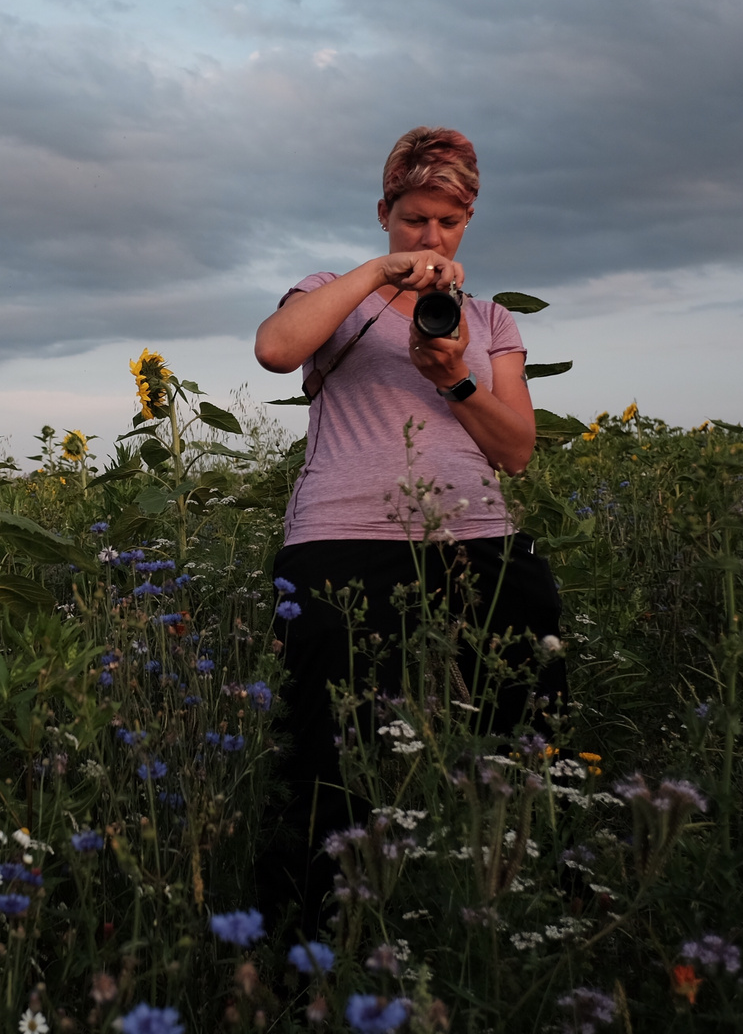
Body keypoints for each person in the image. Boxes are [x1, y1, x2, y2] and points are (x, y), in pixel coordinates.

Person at [250, 125, 568, 937]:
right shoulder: (334, 289)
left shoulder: (489, 320)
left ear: (468, 225)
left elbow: (517, 452)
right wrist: (379, 276)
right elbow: (277, 350)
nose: (431, 238)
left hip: (478, 539)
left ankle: (508, 903)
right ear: (385, 212)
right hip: (342, 540)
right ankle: (331, 932)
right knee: (334, 747)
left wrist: (455, 376)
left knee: (522, 721)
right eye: (415, 220)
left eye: (448, 223)